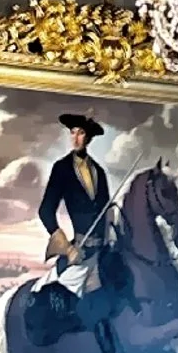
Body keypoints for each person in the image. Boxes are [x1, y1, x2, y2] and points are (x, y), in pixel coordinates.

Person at [38, 108, 114, 272]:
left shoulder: (99, 172)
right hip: (80, 249)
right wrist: (68, 249)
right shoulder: (62, 168)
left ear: (88, 138)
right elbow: (45, 211)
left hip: (104, 250)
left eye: (80, 133)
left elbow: (107, 210)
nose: (76, 138)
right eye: (72, 133)